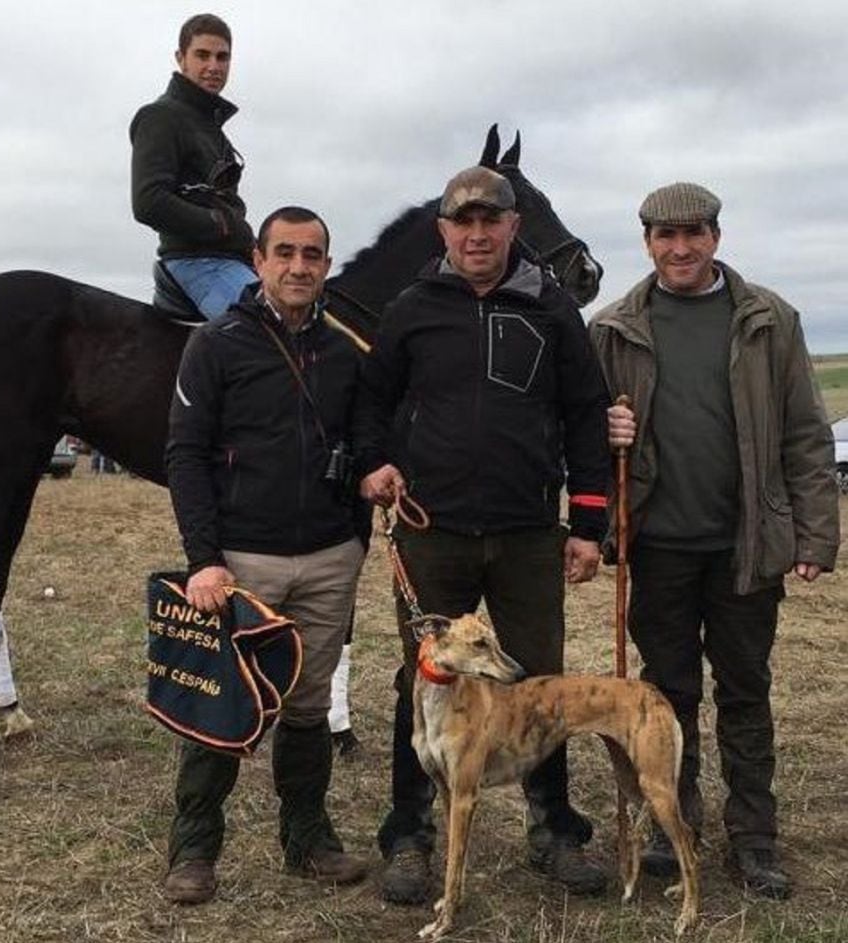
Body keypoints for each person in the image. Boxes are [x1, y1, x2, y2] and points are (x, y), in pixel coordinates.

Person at [354, 166, 612, 904]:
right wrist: (375, 464)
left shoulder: (551, 308)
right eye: (462, 221)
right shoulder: (412, 307)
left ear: (512, 227)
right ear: (443, 231)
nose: (476, 234)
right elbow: (372, 400)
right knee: (424, 680)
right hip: (431, 531)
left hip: (530, 531)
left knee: (540, 684)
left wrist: (588, 523)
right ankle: (409, 835)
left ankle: (557, 829)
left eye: (489, 220)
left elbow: (586, 412)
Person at [589, 182, 839, 900]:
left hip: (746, 543)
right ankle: (676, 826)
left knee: (746, 690)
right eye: (664, 236)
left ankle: (755, 838)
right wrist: (606, 449)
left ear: (716, 238)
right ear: (646, 244)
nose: (680, 248)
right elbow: (580, 436)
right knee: (665, 698)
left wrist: (817, 531)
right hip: (657, 545)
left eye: (693, 233)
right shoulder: (613, 327)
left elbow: (804, 433)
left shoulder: (769, 319)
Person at [163, 206, 368, 903]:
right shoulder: (216, 345)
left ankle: (307, 838)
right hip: (242, 560)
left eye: (313, 255)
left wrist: (365, 514)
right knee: (221, 704)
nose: (299, 266)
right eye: (285, 252)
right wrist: (203, 560)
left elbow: (367, 444)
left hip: (329, 556)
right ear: (258, 260)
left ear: (327, 266)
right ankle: (193, 850)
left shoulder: (346, 353)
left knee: (309, 705)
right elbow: (185, 455)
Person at [129, 13, 255, 318]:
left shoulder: (212, 128)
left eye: (222, 57)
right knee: (272, 334)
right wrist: (224, 224)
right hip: (197, 263)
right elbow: (148, 202)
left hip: (232, 262)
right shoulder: (160, 117)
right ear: (180, 58)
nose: (213, 66)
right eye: (202, 55)